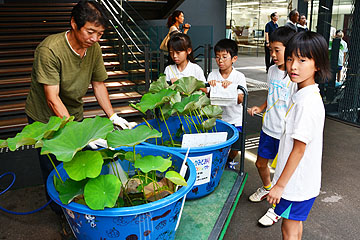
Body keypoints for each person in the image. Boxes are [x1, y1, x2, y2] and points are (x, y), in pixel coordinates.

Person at [24, 0, 131, 224]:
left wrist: (113, 116)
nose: (95, 38)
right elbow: (52, 99)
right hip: (45, 118)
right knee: (55, 167)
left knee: (80, 163)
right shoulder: (50, 49)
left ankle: (82, 207)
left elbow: (99, 84)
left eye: (100, 34)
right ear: (74, 24)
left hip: (73, 111)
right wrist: (76, 134)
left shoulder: (94, 49)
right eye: (90, 32)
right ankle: (62, 215)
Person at [267, 31, 330, 239]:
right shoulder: (304, 93)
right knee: (294, 223)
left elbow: (299, 149)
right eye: (290, 58)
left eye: (302, 60)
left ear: (317, 64)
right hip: (300, 180)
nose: (293, 66)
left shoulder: (306, 103)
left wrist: (279, 186)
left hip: (296, 183)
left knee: (289, 229)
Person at [247, 26, 297, 226]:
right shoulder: (272, 71)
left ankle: (278, 209)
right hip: (268, 128)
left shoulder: (295, 77)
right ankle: (267, 188)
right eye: (270, 50)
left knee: (284, 175)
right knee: (260, 164)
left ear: (290, 48)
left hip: (285, 134)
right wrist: (261, 107)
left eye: (277, 50)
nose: (273, 55)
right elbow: (272, 95)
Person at [206, 39, 247, 168]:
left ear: (234, 58)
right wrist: (212, 88)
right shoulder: (212, 75)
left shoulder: (239, 77)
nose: (220, 60)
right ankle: (220, 163)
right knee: (218, 144)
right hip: (218, 119)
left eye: (224, 57)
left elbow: (242, 99)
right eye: (217, 57)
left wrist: (231, 88)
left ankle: (228, 161)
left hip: (235, 119)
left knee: (236, 147)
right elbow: (207, 96)